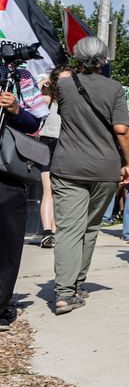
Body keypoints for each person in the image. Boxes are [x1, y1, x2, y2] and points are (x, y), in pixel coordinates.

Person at [50, 37, 129, 315]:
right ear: (104, 60)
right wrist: (128, 163)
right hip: (104, 168)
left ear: (77, 58)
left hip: (68, 166)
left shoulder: (63, 86)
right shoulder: (115, 88)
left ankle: (64, 293)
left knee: (68, 230)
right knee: (89, 227)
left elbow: (53, 99)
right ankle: (77, 286)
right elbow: (121, 129)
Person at [0, 57, 46, 330]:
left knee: (7, 239)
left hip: (6, 171)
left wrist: (16, 109)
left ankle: (1, 303)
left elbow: (36, 123)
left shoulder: (19, 76)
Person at [35, 73, 60, 248]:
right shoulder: (46, 99)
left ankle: (54, 232)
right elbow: (30, 102)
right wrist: (42, 83)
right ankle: (47, 232)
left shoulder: (68, 100)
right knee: (48, 190)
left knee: (59, 191)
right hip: (48, 143)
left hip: (65, 143)